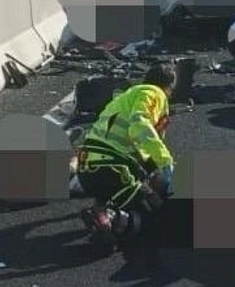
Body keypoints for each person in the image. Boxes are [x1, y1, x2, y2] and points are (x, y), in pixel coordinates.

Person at [76, 63, 180, 242]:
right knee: (154, 212)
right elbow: (139, 125)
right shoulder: (154, 93)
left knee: (125, 185)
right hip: (111, 166)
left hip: (88, 168)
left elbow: (138, 150)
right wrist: (164, 161)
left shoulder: (126, 98)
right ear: (169, 87)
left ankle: (101, 212)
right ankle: (111, 220)